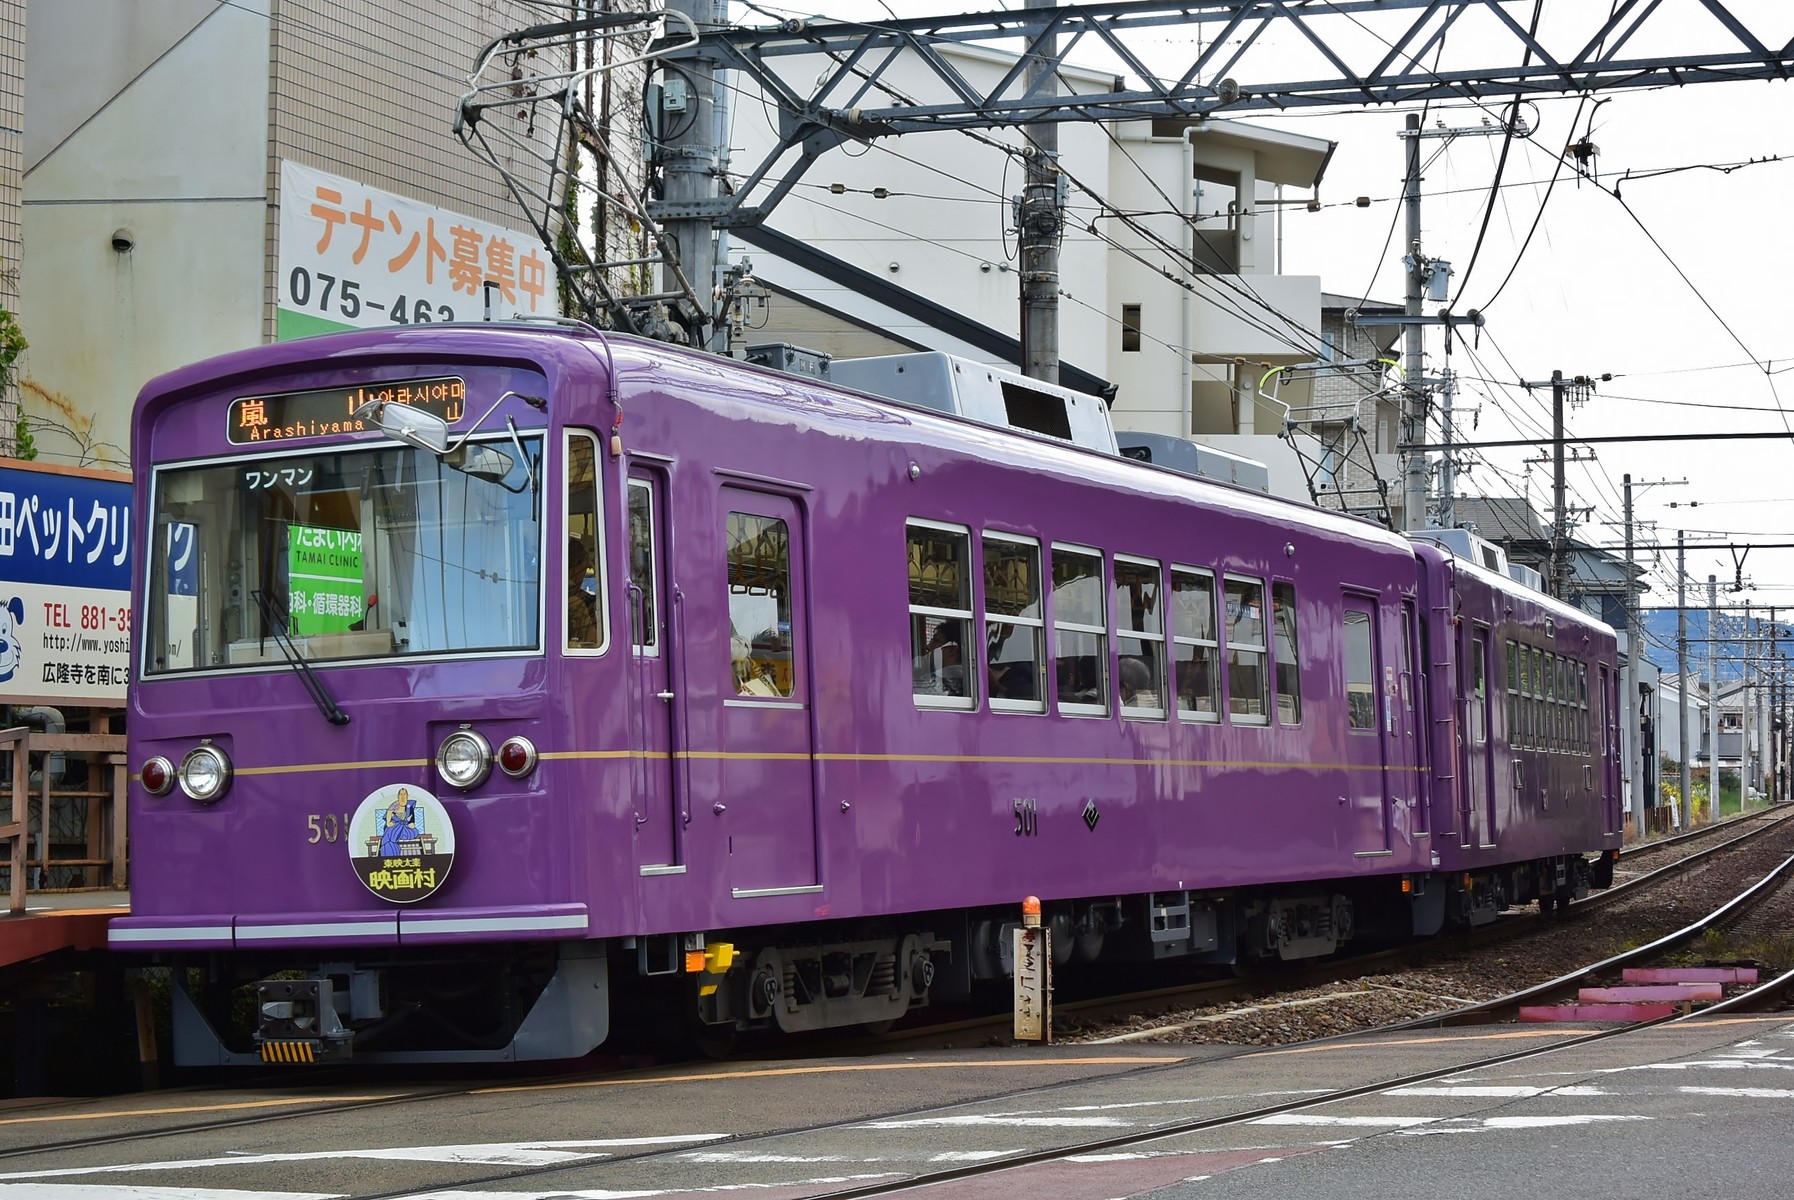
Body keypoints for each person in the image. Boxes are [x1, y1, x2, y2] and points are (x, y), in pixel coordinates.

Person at [567, 536, 598, 646]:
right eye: (586, 567)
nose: (585, 573)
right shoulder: (575, 603)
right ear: (577, 564)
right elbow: (594, 641)